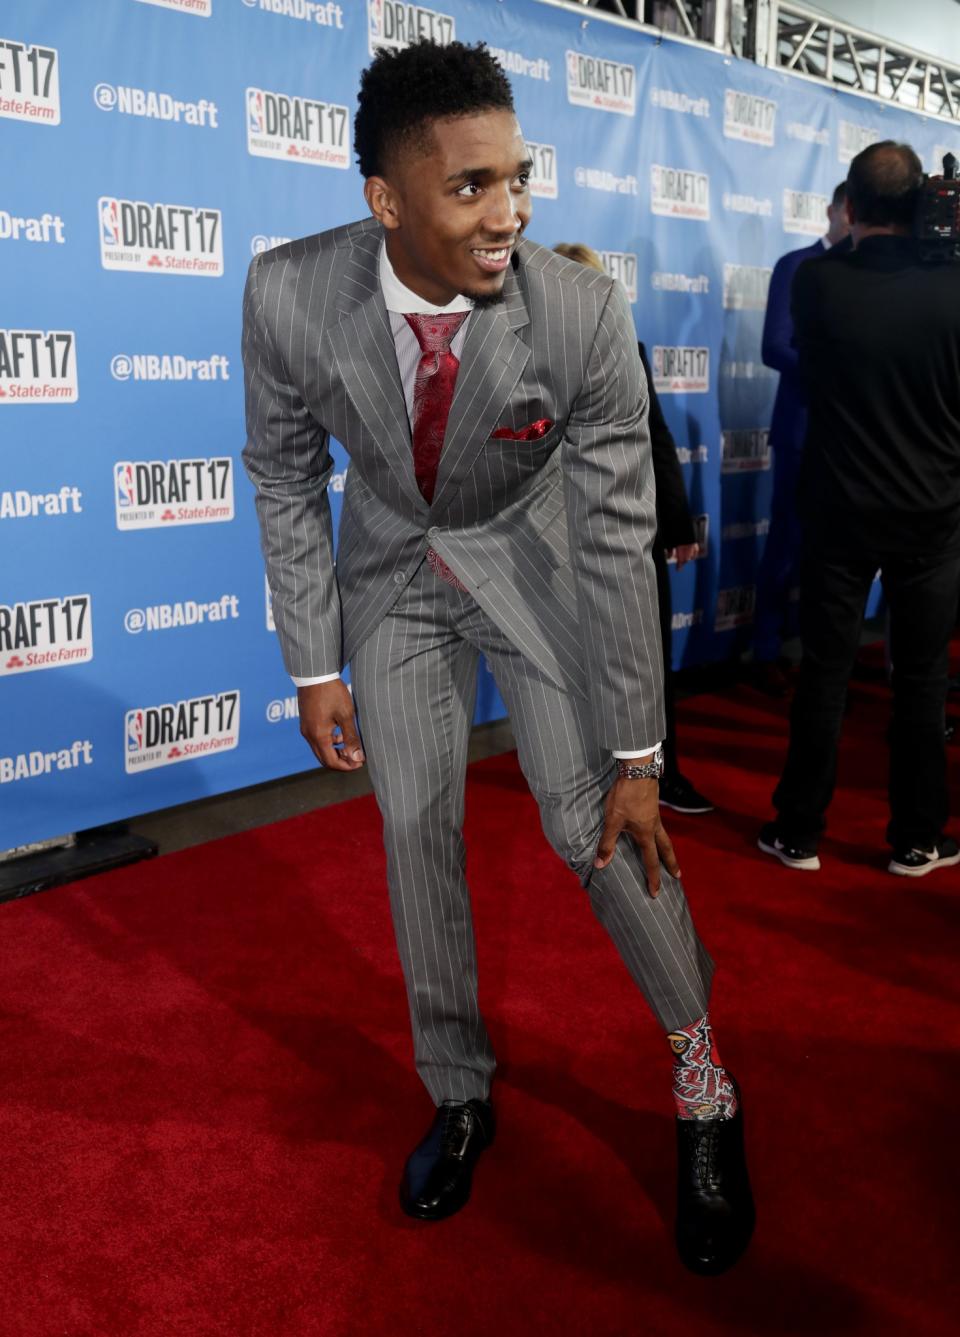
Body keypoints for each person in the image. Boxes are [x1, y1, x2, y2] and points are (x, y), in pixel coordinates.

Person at [242, 41, 753, 1273]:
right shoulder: (289, 295)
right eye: (471, 187)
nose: (509, 213)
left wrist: (643, 747)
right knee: (415, 832)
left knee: (599, 824)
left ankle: (704, 1086)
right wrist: (315, 661)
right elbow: (283, 468)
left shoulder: (576, 311)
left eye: (517, 180)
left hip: (535, 564)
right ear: (386, 200)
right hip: (389, 582)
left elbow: (623, 532)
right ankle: (460, 1091)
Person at [759, 141, 960, 877]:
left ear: (851, 205)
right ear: (920, 205)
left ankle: (799, 831)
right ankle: (917, 837)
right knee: (921, 677)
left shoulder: (816, 282)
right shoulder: (951, 286)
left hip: (840, 507)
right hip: (932, 516)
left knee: (826, 671)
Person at [552, 243, 713, 815]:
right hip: (557, 535)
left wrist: (675, 521)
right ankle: (580, 773)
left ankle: (658, 774)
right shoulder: (518, 353)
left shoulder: (628, 348)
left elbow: (655, 438)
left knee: (644, 660)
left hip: (629, 529)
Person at [752, 183, 850, 697]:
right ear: (834, 211)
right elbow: (774, 346)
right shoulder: (798, 265)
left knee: (832, 556)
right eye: (848, 212)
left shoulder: (865, 274)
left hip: (852, 439)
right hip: (801, 431)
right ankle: (766, 650)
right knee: (786, 546)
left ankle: (816, 655)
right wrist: (840, 374)